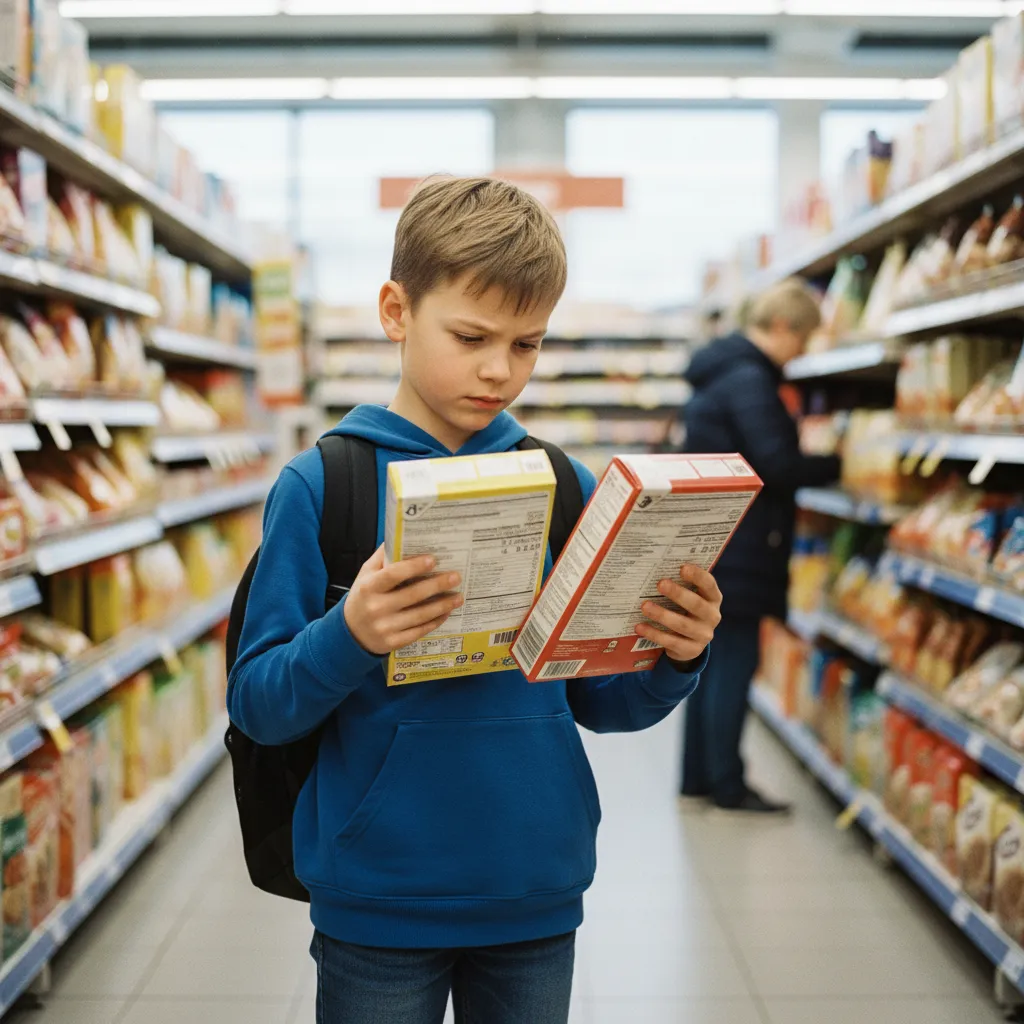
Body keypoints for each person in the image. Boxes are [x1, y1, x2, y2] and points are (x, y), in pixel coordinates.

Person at [227, 176, 724, 1024]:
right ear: (396, 311)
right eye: (470, 336)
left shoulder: (565, 485)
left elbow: (602, 701)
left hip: (533, 886)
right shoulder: (323, 486)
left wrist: (675, 653)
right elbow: (260, 706)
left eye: (527, 345)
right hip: (377, 898)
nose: (499, 370)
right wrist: (349, 634)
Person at [679, 278, 841, 814]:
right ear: (780, 327)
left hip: (715, 538)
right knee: (732, 663)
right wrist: (839, 464)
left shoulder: (719, 373)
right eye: (801, 340)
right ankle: (727, 784)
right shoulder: (749, 381)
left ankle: (698, 778)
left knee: (707, 666)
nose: (801, 354)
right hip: (743, 545)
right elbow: (778, 464)